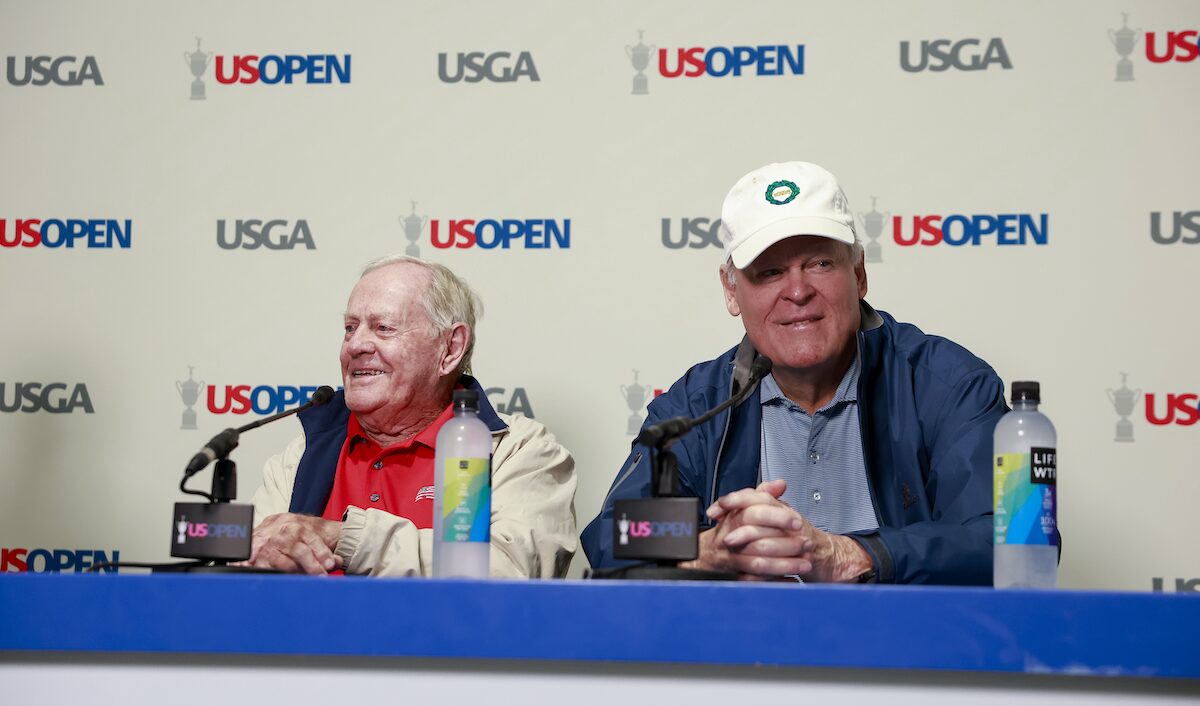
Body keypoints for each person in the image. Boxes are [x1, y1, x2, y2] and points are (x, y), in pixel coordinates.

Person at [582, 162, 1009, 585]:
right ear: (732, 291)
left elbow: (1013, 539)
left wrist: (849, 555)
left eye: (821, 263)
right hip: (748, 649)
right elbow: (616, 534)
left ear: (859, 274)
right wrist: (708, 547)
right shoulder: (701, 404)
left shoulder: (946, 385)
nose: (798, 291)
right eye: (769, 272)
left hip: (911, 648)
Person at [247, 255, 577, 577]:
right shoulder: (304, 452)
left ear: (450, 349)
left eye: (383, 328)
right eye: (350, 328)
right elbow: (248, 564)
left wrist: (346, 537)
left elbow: (507, 571)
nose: (356, 344)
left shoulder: (517, 450)